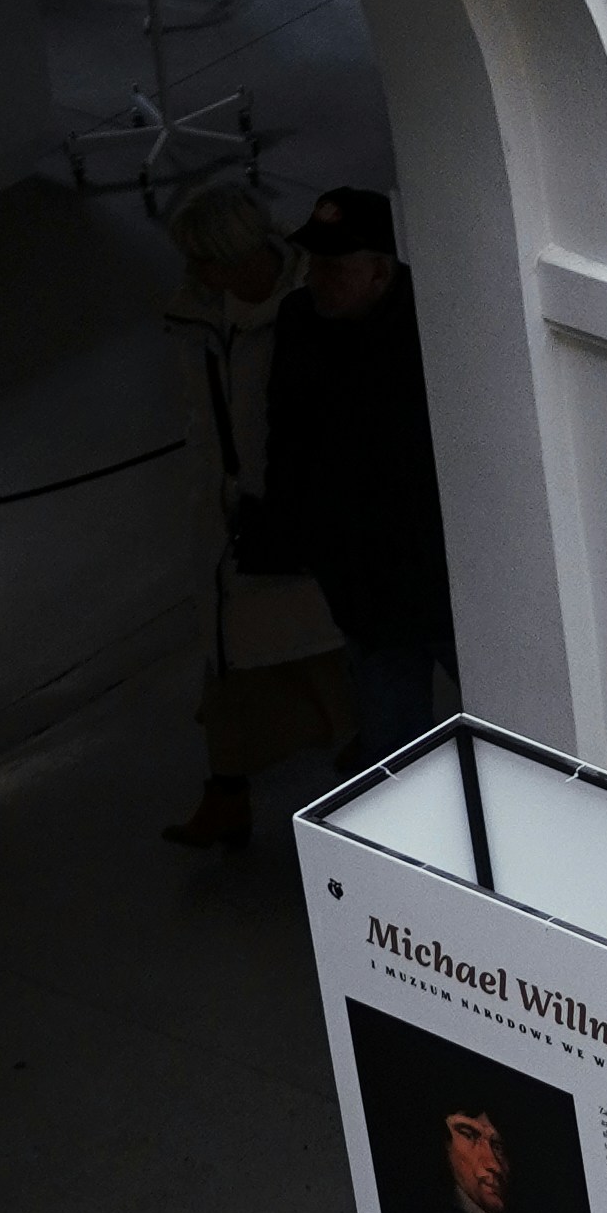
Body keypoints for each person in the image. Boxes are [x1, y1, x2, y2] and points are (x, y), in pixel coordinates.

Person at [233, 188, 454, 762]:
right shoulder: (301, 321)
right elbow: (287, 438)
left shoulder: (431, 322)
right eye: (313, 263)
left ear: (380, 271)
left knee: (518, 726)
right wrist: (293, 533)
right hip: (365, 593)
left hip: (444, 580)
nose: (315, 278)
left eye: (334, 265)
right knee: (397, 753)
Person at [162, 186, 352, 853]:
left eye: (205, 260)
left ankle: (359, 775)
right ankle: (227, 794)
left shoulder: (309, 302)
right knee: (233, 657)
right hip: (232, 519)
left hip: (299, 511)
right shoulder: (199, 313)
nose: (197, 275)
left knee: (321, 648)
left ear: (238, 256)